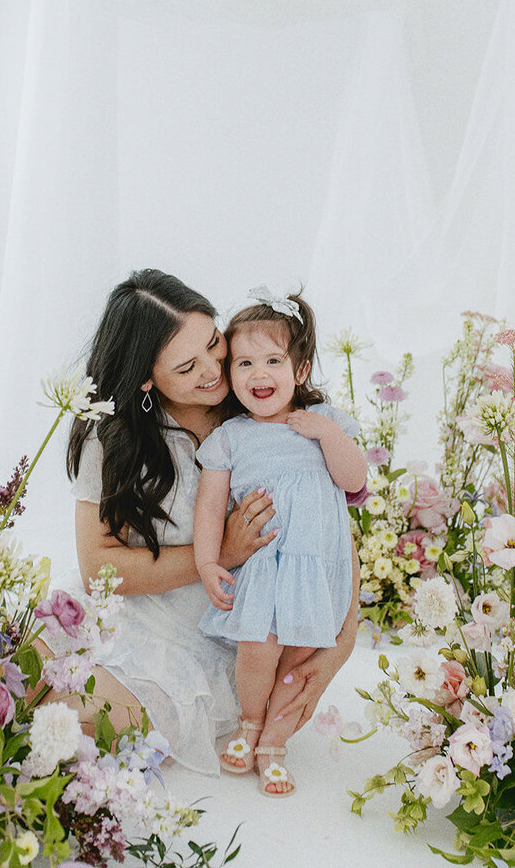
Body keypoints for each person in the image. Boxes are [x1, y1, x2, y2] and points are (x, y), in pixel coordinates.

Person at [48, 269, 360, 777]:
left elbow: (329, 528)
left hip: (229, 640)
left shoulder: (265, 404)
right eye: (188, 365)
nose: (216, 369)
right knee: (17, 692)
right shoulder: (111, 441)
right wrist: (222, 555)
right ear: (147, 377)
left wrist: (341, 642)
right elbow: (99, 568)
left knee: (80, 726)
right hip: (137, 617)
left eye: (215, 343)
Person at [192, 290, 367, 795]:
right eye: (245, 362)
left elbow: (353, 480)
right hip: (266, 568)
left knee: (301, 659)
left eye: (273, 360)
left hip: (318, 567)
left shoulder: (327, 422)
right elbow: (210, 506)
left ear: (301, 370)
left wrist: (327, 435)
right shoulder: (230, 437)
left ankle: (275, 741)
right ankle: (250, 721)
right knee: (257, 650)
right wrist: (207, 562)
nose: (258, 373)